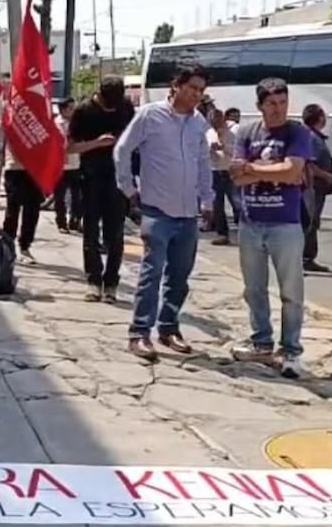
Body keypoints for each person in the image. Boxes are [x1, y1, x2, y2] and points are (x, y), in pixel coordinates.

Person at [113, 66, 213, 362]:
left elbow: (203, 164)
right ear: (177, 85)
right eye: (192, 88)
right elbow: (122, 149)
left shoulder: (198, 123)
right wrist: (129, 189)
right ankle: (139, 333)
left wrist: (208, 201)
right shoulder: (149, 115)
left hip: (188, 213)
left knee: (180, 276)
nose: (196, 94)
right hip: (157, 209)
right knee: (151, 273)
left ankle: (169, 328)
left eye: (200, 90)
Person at [230, 77, 312, 379]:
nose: (278, 109)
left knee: (291, 292)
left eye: (283, 102)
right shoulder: (247, 132)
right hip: (251, 222)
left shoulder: (297, 132)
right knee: (254, 289)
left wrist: (253, 169)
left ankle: (291, 350)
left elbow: (293, 172)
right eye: (272, 103)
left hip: (285, 223)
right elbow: (236, 177)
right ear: (260, 105)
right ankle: (261, 342)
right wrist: (267, 171)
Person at [68, 77, 133, 303]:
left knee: (115, 233)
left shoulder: (125, 107)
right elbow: (70, 147)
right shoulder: (83, 111)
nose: (113, 108)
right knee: (91, 231)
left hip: (118, 177)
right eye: (108, 105)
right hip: (91, 176)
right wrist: (97, 143)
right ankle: (93, 281)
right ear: (100, 95)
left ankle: (111, 283)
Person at [0, 123, 44, 265]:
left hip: (35, 169)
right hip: (15, 169)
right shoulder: (10, 117)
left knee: (33, 209)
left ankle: (25, 246)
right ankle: (7, 246)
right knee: (13, 209)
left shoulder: (38, 117)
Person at [300, 104, 332, 273]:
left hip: (315, 187)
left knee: (311, 222)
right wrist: (327, 176)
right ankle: (305, 259)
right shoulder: (312, 138)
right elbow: (310, 164)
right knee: (310, 222)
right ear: (320, 118)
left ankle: (306, 258)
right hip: (312, 187)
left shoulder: (313, 136)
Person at [207, 107, 238, 246]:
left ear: (223, 118)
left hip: (230, 170)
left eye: (217, 122)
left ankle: (248, 232)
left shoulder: (235, 130)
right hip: (215, 170)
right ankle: (222, 233)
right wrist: (210, 150)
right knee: (217, 205)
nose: (215, 125)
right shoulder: (209, 133)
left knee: (238, 203)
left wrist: (224, 147)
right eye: (212, 123)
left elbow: (240, 150)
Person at [54, 97, 82, 233]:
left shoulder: (77, 122)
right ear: (63, 110)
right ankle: (61, 222)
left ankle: (75, 221)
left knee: (77, 196)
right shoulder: (56, 123)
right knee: (60, 197)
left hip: (76, 164)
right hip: (60, 166)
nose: (74, 111)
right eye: (71, 108)